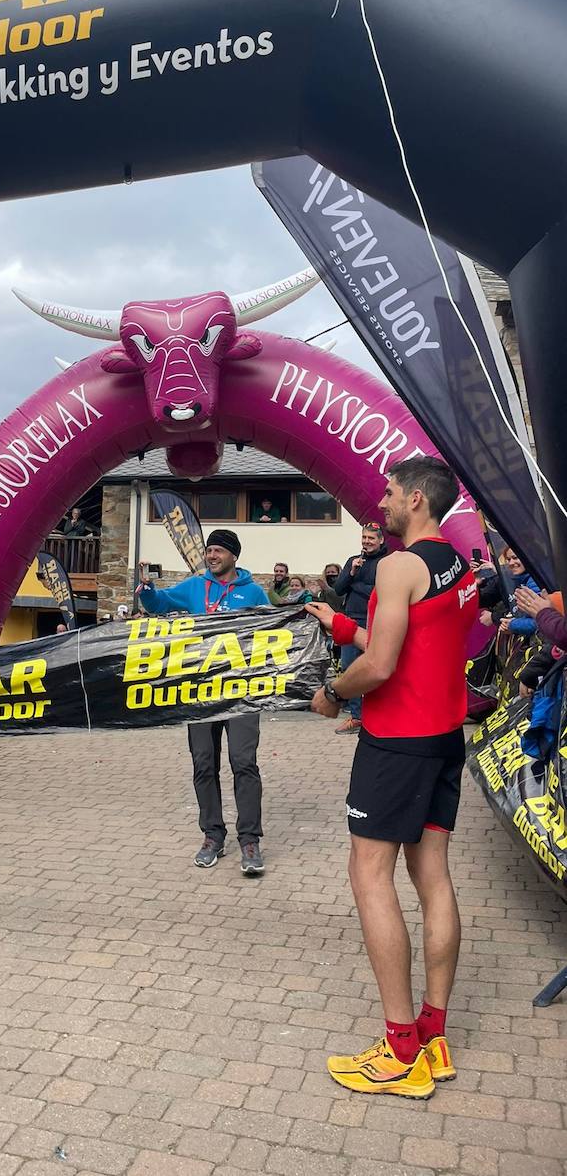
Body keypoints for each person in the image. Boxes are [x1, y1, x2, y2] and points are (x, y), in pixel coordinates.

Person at [306, 456, 478, 1099]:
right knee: (431, 876)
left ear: (415, 500)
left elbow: (378, 665)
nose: (380, 501)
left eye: (388, 492)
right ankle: (432, 1035)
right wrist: (340, 623)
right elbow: (417, 640)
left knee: (368, 875)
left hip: (397, 743)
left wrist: (333, 692)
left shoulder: (398, 566)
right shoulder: (455, 565)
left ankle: (400, 1051)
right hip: (442, 739)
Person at [135, 528, 270, 876]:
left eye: (219, 551)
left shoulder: (253, 592)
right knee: (204, 764)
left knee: (244, 763)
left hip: (240, 691)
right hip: (200, 691)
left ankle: (250, 840)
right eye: (209, 550)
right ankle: (213, 835)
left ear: (233, 556)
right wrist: (148, 591)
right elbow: (161, 604)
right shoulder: (195, 587)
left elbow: (273, 629)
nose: (212, 556)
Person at [331, 522, 388, 735]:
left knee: (375, 669)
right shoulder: (353, 561)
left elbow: (378, 591)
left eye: (371, 538)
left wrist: (355, 585)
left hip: (375, 622)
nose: (366, 542)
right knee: (349, 667)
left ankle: (379, 714)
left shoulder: (386, 563)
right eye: (364, 538)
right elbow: (338, 589)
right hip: (350, 620)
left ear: (381, 540)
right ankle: (356, 717)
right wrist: (351, 572)